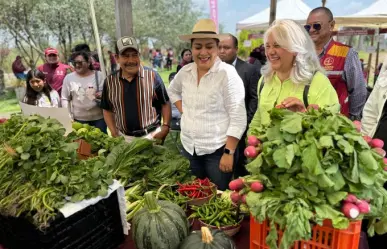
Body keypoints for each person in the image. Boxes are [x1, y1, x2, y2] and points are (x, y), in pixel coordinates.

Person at [168, 19, 247, 190]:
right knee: (193, 193)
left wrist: (229, 152)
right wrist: (184, 110)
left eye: (209, 46)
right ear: (191, 48)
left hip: (218, 151)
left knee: (218, 198)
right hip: (189, 147)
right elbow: (172, 91)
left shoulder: (227, 74)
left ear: (218, 48)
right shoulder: (185, 72)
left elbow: (238, 117)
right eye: (198, 47)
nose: (203, 52)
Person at [248, 19, 339, 133]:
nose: (270, 52)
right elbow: (258, 119)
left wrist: (304, 114)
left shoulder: (317, 82)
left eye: (277, 45)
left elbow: (330, 130)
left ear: (295, 49)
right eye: (267, 46)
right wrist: (251, 142)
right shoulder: (264, 80)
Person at [100, 36, 171, 142]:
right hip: (124, 138)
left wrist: (165, 126)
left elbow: (165, 103)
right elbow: (107, 109)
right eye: (125, 56)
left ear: (139, 56)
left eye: (134, 55)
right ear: (117, 58)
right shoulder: (110, 82)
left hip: (151, 136)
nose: (131, 60)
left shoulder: (152, 76)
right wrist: (114, 133)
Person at [306, 7, 367, 120]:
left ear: (331, 25)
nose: (311, 30)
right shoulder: (301, 54)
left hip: (335, 125)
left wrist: (353, 119)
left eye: (317, 25)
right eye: (307, 27)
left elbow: (358, 92)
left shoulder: (346, 54)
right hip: (306, 124)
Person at [219, 34, 260, 178]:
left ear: (236, 49)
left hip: (241, 131)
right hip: (217, 131)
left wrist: (244, 125)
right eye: (219, 47)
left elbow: (254, 100)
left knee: (240, 169)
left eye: (227, 48)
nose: (222, 51)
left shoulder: (249, 70)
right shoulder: (212, 70)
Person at [61, 51, 106, 133]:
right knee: (82, 144)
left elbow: (108, 93)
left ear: (88, 63)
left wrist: (102, 95)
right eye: (74, 63)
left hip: (99, 119)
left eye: (80, 62)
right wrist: (68, 115)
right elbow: (65, 98)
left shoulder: (99, 75)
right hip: (79, 120)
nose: (77, 65)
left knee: (101, 144)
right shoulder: (68, 78)